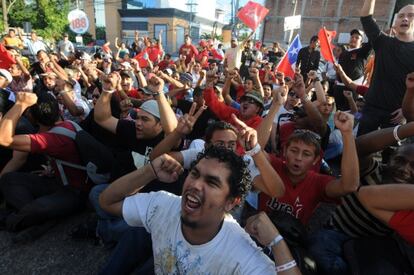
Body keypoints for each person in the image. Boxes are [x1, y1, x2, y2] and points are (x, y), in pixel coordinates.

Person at [99, 146, 277, 274]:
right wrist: (150, 171)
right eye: (195, 173)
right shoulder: (162, 205)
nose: (196, 185)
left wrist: (278, 242)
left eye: (212, 182)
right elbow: (107, 201)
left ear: (231, 202)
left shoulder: (243, 255)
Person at [0, 92, 88, 242]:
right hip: (57, 182)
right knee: (9, 179)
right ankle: (38, 218)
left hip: (74, 193)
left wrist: (20, 104)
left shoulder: (51, 138)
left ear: (32, 117)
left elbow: (3, 138)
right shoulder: (66, 124)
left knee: (33, 210)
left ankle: (27, 220)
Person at [358, 1, 414, 136]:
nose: (405, 18)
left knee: (391, 155)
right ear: (395, 22)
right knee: (361, 148)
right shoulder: (382, 42)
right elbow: (366, 17)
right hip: (371, 108)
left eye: (411, 16)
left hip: (397, 114)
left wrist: (406, 110)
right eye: (401, 16)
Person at [333, 29, 371, 111]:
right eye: (352, 37)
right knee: (338, 111)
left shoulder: (362, 52)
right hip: (339, 87)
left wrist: (370, 28)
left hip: (353, 88)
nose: (353, 39)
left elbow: (371, 43)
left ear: (361, 42)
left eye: (357, 38)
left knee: (350, 113)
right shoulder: (343, 53)